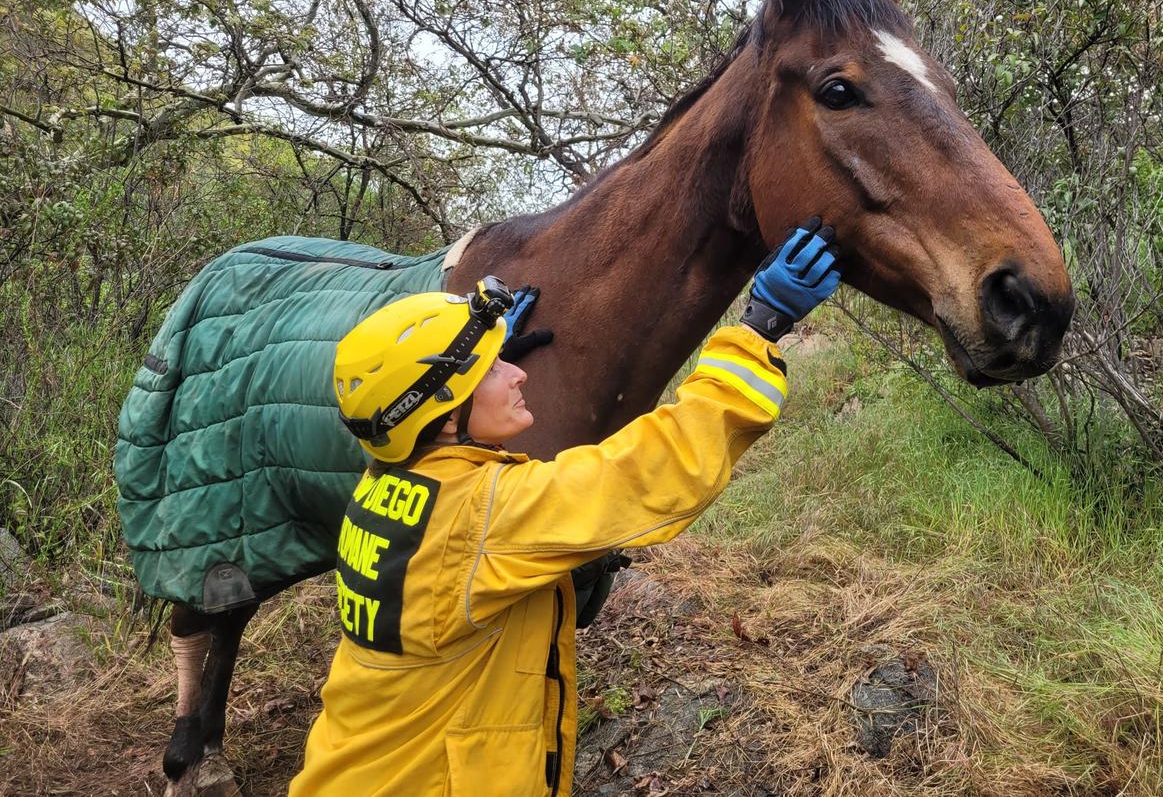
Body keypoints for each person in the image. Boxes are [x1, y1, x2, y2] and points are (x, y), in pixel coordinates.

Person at [289, 219, 841, 796]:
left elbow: (453, 462)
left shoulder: (384, 484)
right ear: (447, 413)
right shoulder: (488, 519)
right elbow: (657, 466)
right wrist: (761, 327)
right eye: (492, 369)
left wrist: (480, 359)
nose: (518, 371)